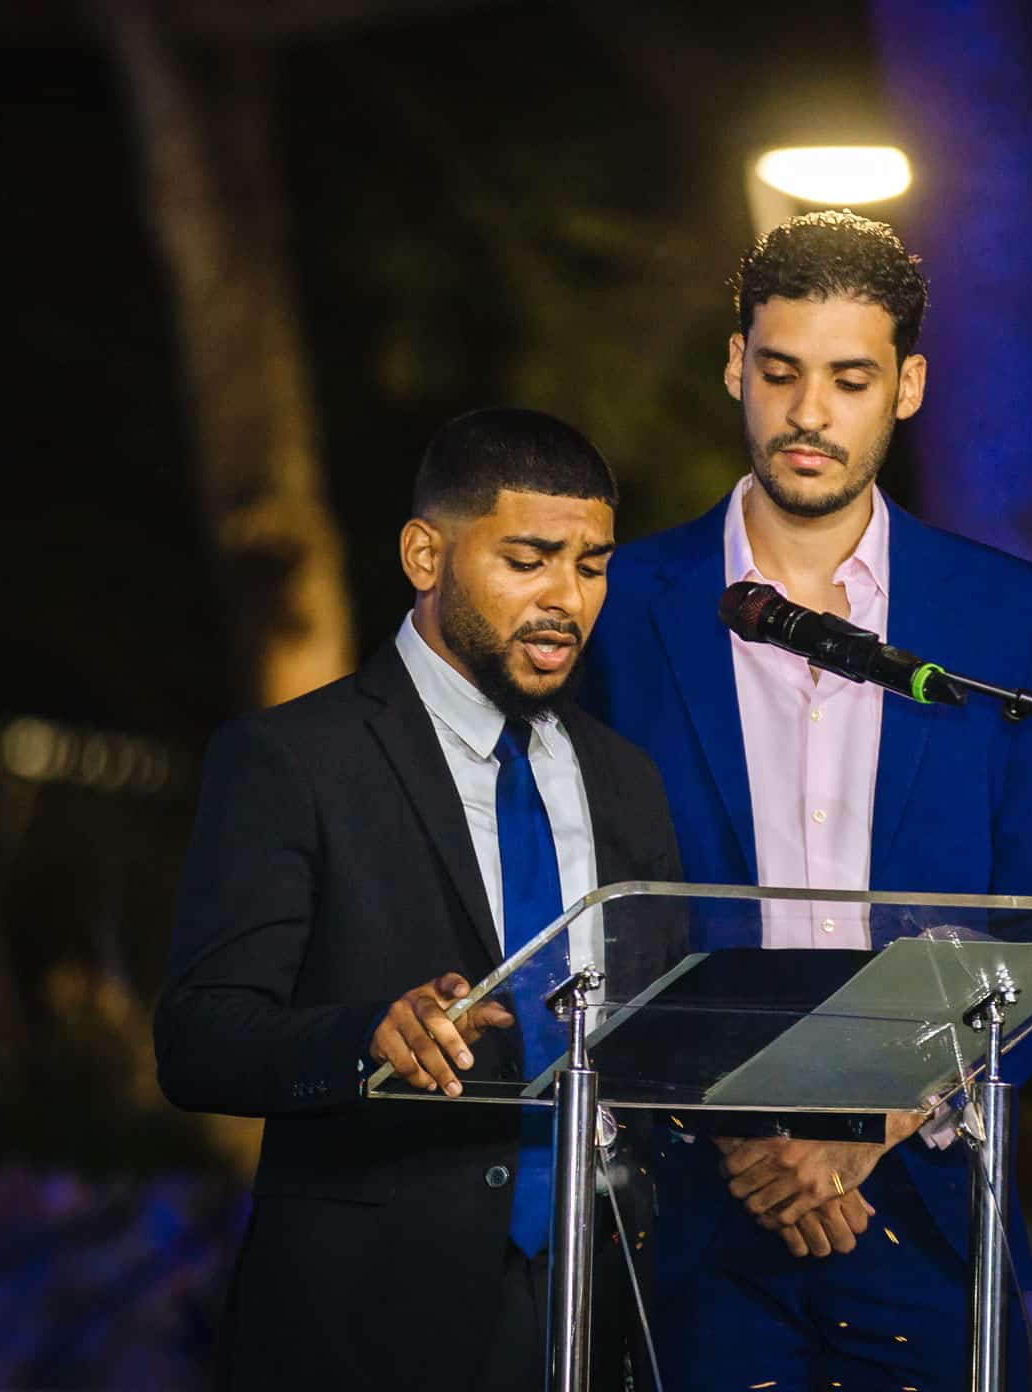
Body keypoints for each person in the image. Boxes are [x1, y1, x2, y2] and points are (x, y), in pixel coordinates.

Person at [583, 211, 1032, 1389]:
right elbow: (588, 899)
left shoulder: (995, 611)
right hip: (686, 1212)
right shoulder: (629, 603)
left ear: (908, 388)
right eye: (780, 372)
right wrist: (739, 1137)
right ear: (735, 366)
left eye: (850, 379)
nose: (809, 414)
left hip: (924, 1199)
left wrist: (872, 1123)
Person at [156, 408, 681, 1390]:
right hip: (366, 1326)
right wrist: (365, 1039)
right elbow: (198, 1036)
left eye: (593, 564)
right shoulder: (294, 761)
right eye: (529, 559)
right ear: (425, 553)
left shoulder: (627, 782)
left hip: (599, 1310)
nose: (566, 597)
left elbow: (650, 1039)